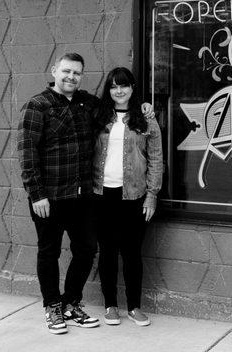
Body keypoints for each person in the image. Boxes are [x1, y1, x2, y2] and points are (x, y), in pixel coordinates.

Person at [18, 53, 153, 335]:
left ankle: (71, 303)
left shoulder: (86, 103)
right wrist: (36, 194)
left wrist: (143, 107)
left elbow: (116, 104)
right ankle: (53, 307)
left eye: (77, 73)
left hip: (81, 197)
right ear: (54, 70)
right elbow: (27, 153)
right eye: (66, 71)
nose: (71, 77)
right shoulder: (37, 105)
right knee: (49, 251)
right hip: (49, 197)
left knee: (86, 250)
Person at [92, 67, 163, 327]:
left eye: (123, 86)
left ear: (132, 88)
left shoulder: (145, 119)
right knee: (107, 252)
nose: (118, 91)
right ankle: (110, 305)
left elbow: (156, 158)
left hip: (134, 196)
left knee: (132, 253)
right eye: (113, 86)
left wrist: (152, 195)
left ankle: (134, 306)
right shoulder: (99, 115)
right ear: (108, 90)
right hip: (102, 194)